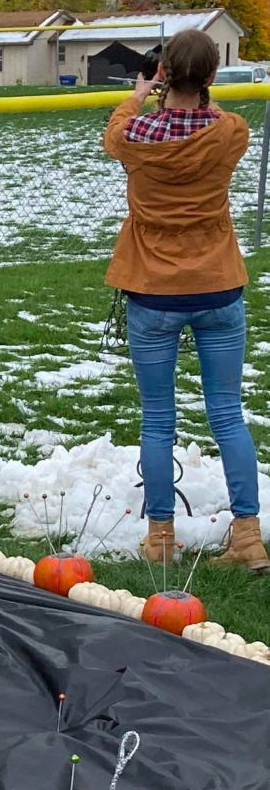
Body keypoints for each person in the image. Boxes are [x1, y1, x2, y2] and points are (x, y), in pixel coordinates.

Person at [104, 28, 266, 574]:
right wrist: (195, 92)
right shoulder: (231, 132)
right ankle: (248, 538)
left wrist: (140, 94)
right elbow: (215, 121)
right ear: (212, 76)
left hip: (153, 291)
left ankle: (161, 538)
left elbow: (114, 134)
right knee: (227, 414)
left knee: (157, 419)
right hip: (218, 284)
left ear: (163, 72)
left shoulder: (135, 134)